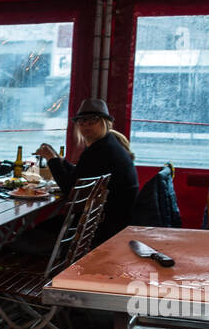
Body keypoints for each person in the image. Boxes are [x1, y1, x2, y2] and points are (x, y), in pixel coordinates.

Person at [36, 98, 138, 245]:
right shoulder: (107, 144)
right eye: (81, 121)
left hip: (103, 227)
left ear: (104, 122)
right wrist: (60, 161)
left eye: (92, 121)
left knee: (35, 232)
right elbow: (81, 174)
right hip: (114, 220)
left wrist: (51, 160)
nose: (85, 125)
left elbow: (70, 190)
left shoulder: (100, 151)